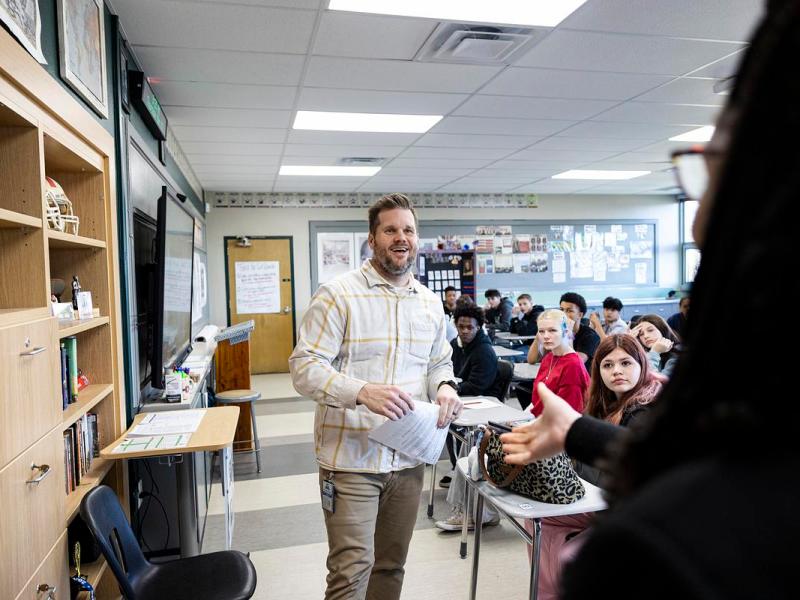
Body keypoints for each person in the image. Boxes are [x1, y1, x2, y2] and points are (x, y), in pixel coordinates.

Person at [501, 4, 800, 596]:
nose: (695, 229)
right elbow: (705, 457)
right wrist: (577, 430)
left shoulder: (668, 552)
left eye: (714, 175)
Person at [289, 193, 463, 600]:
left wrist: (445, 387)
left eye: (408, 230)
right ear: (372, 238)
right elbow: (304, 368)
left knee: (390, 566)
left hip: (408, 457)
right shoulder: (337, 294)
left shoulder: (430, 302)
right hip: (351, 459)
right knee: (350, 571)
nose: (400, 237)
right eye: (390, 230)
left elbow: (440, 361)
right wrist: (361, 392)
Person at [535, 334, 665, 599]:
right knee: (538, 519)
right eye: (607, 365)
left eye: (626, 363)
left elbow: (620, 474)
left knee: (546, 525)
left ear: (641, 363)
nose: (616, 371)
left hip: (629, 508)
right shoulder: (604, 402)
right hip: (600, 498)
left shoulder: (643, 410)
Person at [438, 303, 498, 488]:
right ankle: (457, 466)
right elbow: (447, 370)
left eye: (470, 327)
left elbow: (476, 386)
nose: (464, 331)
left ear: (478, 327)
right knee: (444, 416)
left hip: (482, 402)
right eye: (460, 326)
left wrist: (450, 387)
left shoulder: (484, 351)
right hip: (464, 397)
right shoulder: (456, 346)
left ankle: (460, 468)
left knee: (450, 419)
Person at [515, 309, 589, 415]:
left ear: (566, 332)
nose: (545, 336)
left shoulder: (572, 365)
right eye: (541, 331)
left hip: (559, 426)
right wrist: (521, 418)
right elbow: (536, 403)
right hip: (541, 420)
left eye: (552, 330)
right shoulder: (548, 358)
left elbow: (568, 413)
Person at [527, 292, 600, 370]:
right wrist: (541, 332)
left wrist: (568, 332)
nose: (563, 314)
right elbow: (532, 360)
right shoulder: (556, 332)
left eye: (569, 311)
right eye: (562, 310)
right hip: (556, 375)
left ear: (580, 315)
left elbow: (573, 364)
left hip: (579, 379)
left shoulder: (590, 336)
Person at [631, 314, 681, 378]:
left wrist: (655, 352)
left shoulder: (678, 354)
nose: (646, 336)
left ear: (662, 330)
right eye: (641, 334)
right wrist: (630, 342)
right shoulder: (645, 353)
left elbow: (656, 382)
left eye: (650, 330)